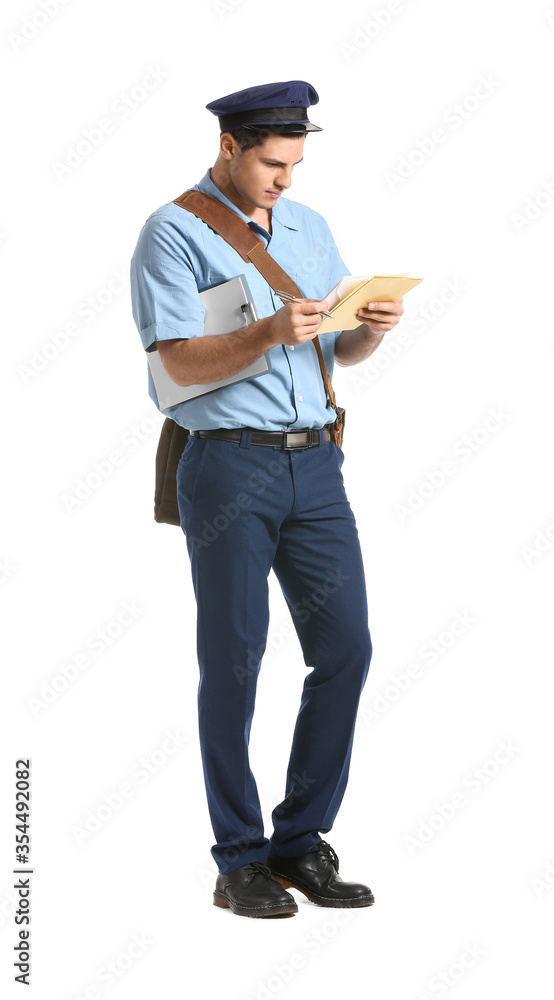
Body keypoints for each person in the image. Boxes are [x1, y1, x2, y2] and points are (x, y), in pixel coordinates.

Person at [130, 80, 403, 919]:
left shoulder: (311, 228)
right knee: (237, 661)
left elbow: (335, 354)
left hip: (318, 466)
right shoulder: (174, 232)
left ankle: (299, 840)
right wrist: (264, 334)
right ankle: (239, 857)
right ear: (230, 149)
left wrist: (368, 330)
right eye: (274, 163)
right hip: (229, 469)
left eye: (297, 162)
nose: (287, 179)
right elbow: (176, 365)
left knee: (347, 650)